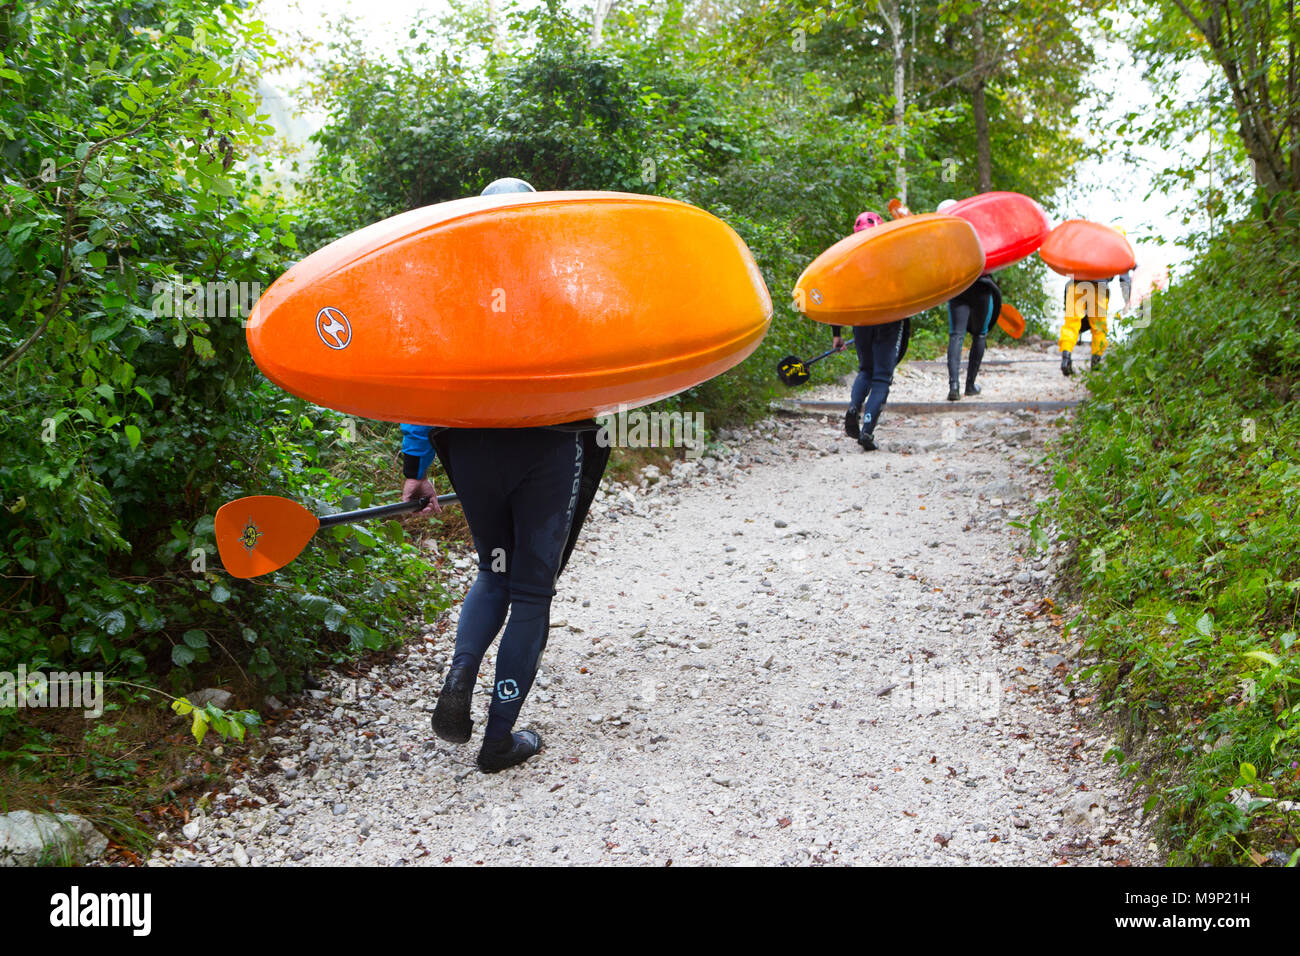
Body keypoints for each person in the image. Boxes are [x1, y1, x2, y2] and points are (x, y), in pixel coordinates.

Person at [400, 176, 611, 774]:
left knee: (492, 572)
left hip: (469, 451)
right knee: (531, 593)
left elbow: (421, 382)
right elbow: (600, 367)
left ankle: (461, 670)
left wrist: (415, 469)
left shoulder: (452, 294)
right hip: (547, 448)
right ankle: (498, 739)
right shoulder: (561, 285)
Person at [836, 210, 910, 451]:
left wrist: (836, 333)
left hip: (860, 322)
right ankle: (867, 429)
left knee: (866, 370)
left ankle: (853, 408)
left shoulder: (847, 259)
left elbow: (834, 298)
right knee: (881, 377)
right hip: (889, 320)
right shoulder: (892, 256)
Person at [1058, 271, 1132, 376]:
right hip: (1099, 287)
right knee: (1099, 328)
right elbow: (1123, 267)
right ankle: (1096, 364)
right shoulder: (1111, 253)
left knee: (1071, 325)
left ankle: (1066, 359)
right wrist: (1128, 297)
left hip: (1076, 284)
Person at [944, 272, 1002, 401]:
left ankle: (954, 386)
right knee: (980, 335)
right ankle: (970, 386)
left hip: (959, 284)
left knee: (956, 335)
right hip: (982, 285)